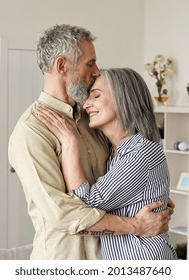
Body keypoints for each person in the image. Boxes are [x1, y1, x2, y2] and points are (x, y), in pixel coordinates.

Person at [8, 24, 173, 260]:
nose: (96, 71)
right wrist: (137, 226)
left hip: (112, 258)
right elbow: (61, 214)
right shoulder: (30, 132)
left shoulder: (93, 118)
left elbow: (126, 170)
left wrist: (154, 197)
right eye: (90, 63)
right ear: (62, 66)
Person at [35, 68, 177, 260]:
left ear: (123, 99)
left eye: (96, 96)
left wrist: (70, 143)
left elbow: (87, 204)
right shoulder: (114, 153)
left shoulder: (141, 152)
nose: (86, 104)